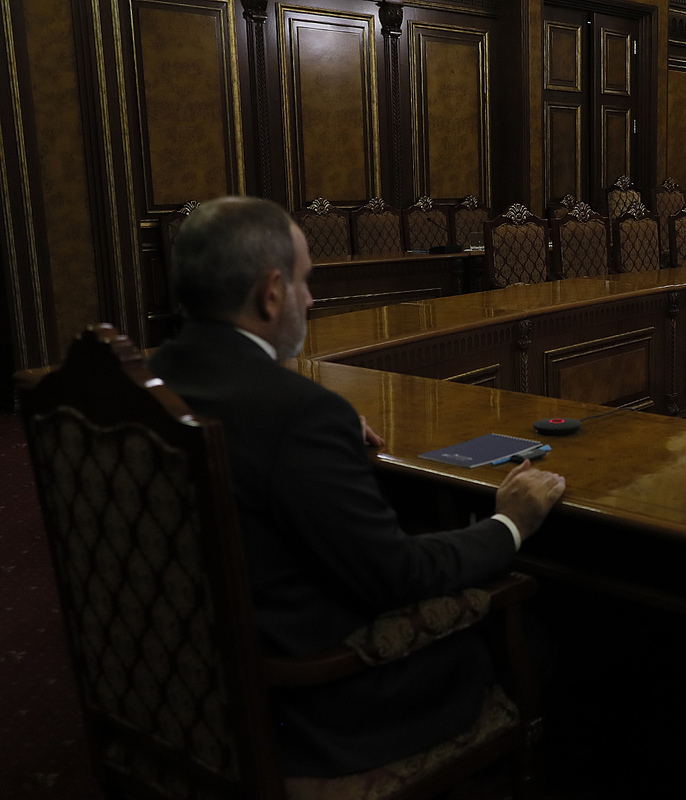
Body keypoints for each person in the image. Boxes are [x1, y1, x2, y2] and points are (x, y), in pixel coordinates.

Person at [148, 196, 567, 777]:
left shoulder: (153, 381)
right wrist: (509, 524)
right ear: (271, 294)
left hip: (178, 685)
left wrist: (324, 433)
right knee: (543, 629)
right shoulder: (298, 416)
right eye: (304, 282)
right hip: (315, 710)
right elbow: (398, 576)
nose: (311, 300)